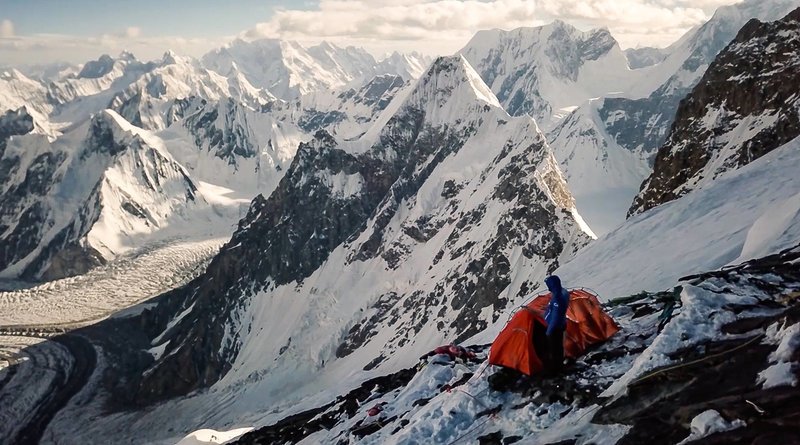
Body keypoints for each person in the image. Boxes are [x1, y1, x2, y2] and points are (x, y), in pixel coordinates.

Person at [543, 275, 569, 375]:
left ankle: (555, 370)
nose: (548, 287)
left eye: (549, 285)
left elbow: (555, 317)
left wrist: (549, 331)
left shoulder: (557, 298)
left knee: (554, 349)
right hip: (561, 324)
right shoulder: (563, 293)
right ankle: (559, 366)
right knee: (559, 348)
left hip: (555, 328)